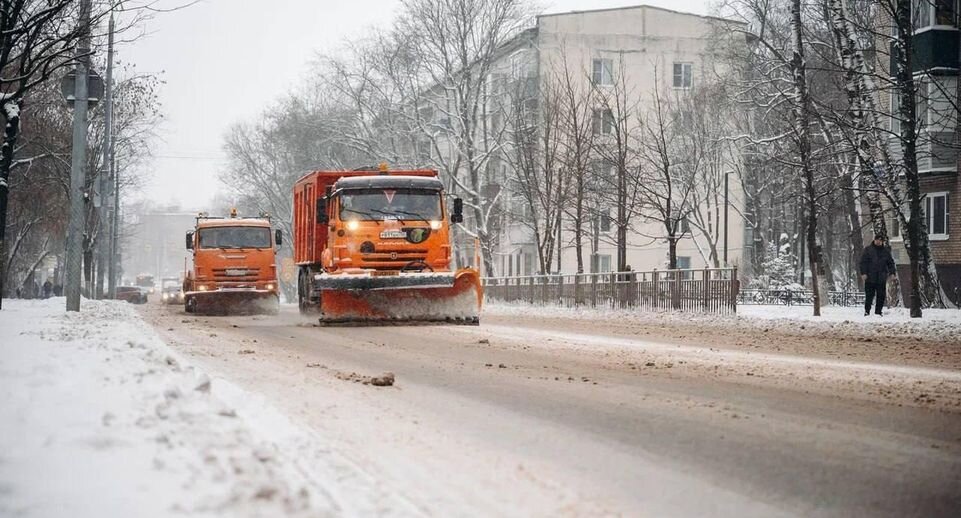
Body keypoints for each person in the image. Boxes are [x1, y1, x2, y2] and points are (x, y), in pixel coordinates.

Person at [859, 233, 896, 316]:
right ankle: (867, 311)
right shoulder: (868, 250)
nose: (879, 242)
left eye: (880, 240)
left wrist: (892, 272)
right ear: (874, 240)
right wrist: (863, 273)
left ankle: (878, 312)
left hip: (881, 278)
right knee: (869, 296)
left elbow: (890, 263)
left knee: (881, 296)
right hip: (870, 277)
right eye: (877, 240)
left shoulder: (885, 251)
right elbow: (863, 263)